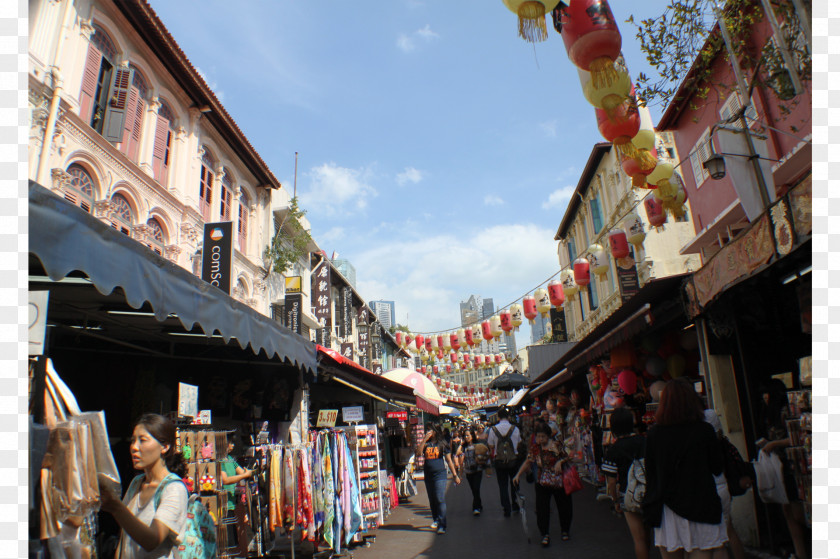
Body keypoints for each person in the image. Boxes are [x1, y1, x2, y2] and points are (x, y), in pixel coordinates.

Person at [643, 380, 727, 559]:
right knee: (702, 550)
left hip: (669, 506)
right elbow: (717, 467)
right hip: (702, 501)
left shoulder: (655, 434)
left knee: (672, 552)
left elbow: (651, 473)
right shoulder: (705, 430)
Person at [98, 414, 189, 559]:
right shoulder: (137, 483)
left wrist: (115, 507)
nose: (134, 447)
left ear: (164, 447)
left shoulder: (174, 489)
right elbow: (124, 537)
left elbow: (152, 541)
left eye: (143, 440)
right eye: (133, 441)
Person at [756, 381, 810, 559]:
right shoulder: (768, 414)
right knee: (787, 512)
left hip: (793, 466)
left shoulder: (785, 412)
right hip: (780, 468)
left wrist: (773, 444)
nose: (765, 397)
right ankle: (800, 552)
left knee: (797, 512)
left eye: (767, 393)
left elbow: (797, 437)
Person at [513, 422, 573, 546]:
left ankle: (565, 530)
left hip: (558, 481)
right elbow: (528, 461)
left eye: (543, 437)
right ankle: (544, 534)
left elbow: (568, 456)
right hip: (542, 481)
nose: (540, 439)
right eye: (538, 437)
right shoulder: (535, 448)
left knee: (564, 506)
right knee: (542, 509)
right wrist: (518, 474)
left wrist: (560, 462)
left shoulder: (556, 445)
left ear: (548, 436)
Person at [602, 407, 650, 559]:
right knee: (647, 535)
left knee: (638, 539)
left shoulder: (613, 450)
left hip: (628, 494)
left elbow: (611, 481)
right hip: (649, 492)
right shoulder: (644, 441)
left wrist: (615, 501)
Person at [703, 410, 747, 559]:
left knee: (715, 539)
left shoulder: (695, 426)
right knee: (729, 529)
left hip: (711, 486)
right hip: (722, 484)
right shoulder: (710, 416)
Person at [416, 423, 460, 534]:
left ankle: (442, 525)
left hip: (440, 475)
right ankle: (436, 519)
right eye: (427, 431)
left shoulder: (442, 443)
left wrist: (455, 475)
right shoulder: (426, 444)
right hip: (428, 475)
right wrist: (424, 439)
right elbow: (418, 453)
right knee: (432, 500)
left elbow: (449, 460)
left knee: (440, 498)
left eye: (430, 431)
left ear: (435, 431)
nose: (428, 432)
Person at [487, 408, 522, 517]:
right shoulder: (515, 429)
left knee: (503, 485)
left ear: (498, 417)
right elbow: (519, 443)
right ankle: (515, 504)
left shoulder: (493, 429)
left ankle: (506, 508)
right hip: (513, 460)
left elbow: (491, 445)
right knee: (514, 483)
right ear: (508, 417)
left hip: (500, 461)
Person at [460, 427, 486, 516]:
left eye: (468, 435)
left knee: (476, 488)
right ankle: (479, 503)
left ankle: (475, 507)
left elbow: (484, 454)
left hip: (478, 470)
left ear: (472, 436)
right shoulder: (464, 447)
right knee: (474, 490)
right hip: (468, 471)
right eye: (465, 436)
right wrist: (461, 444)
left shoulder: (477, 445)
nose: (466, 437)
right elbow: (457, 453)